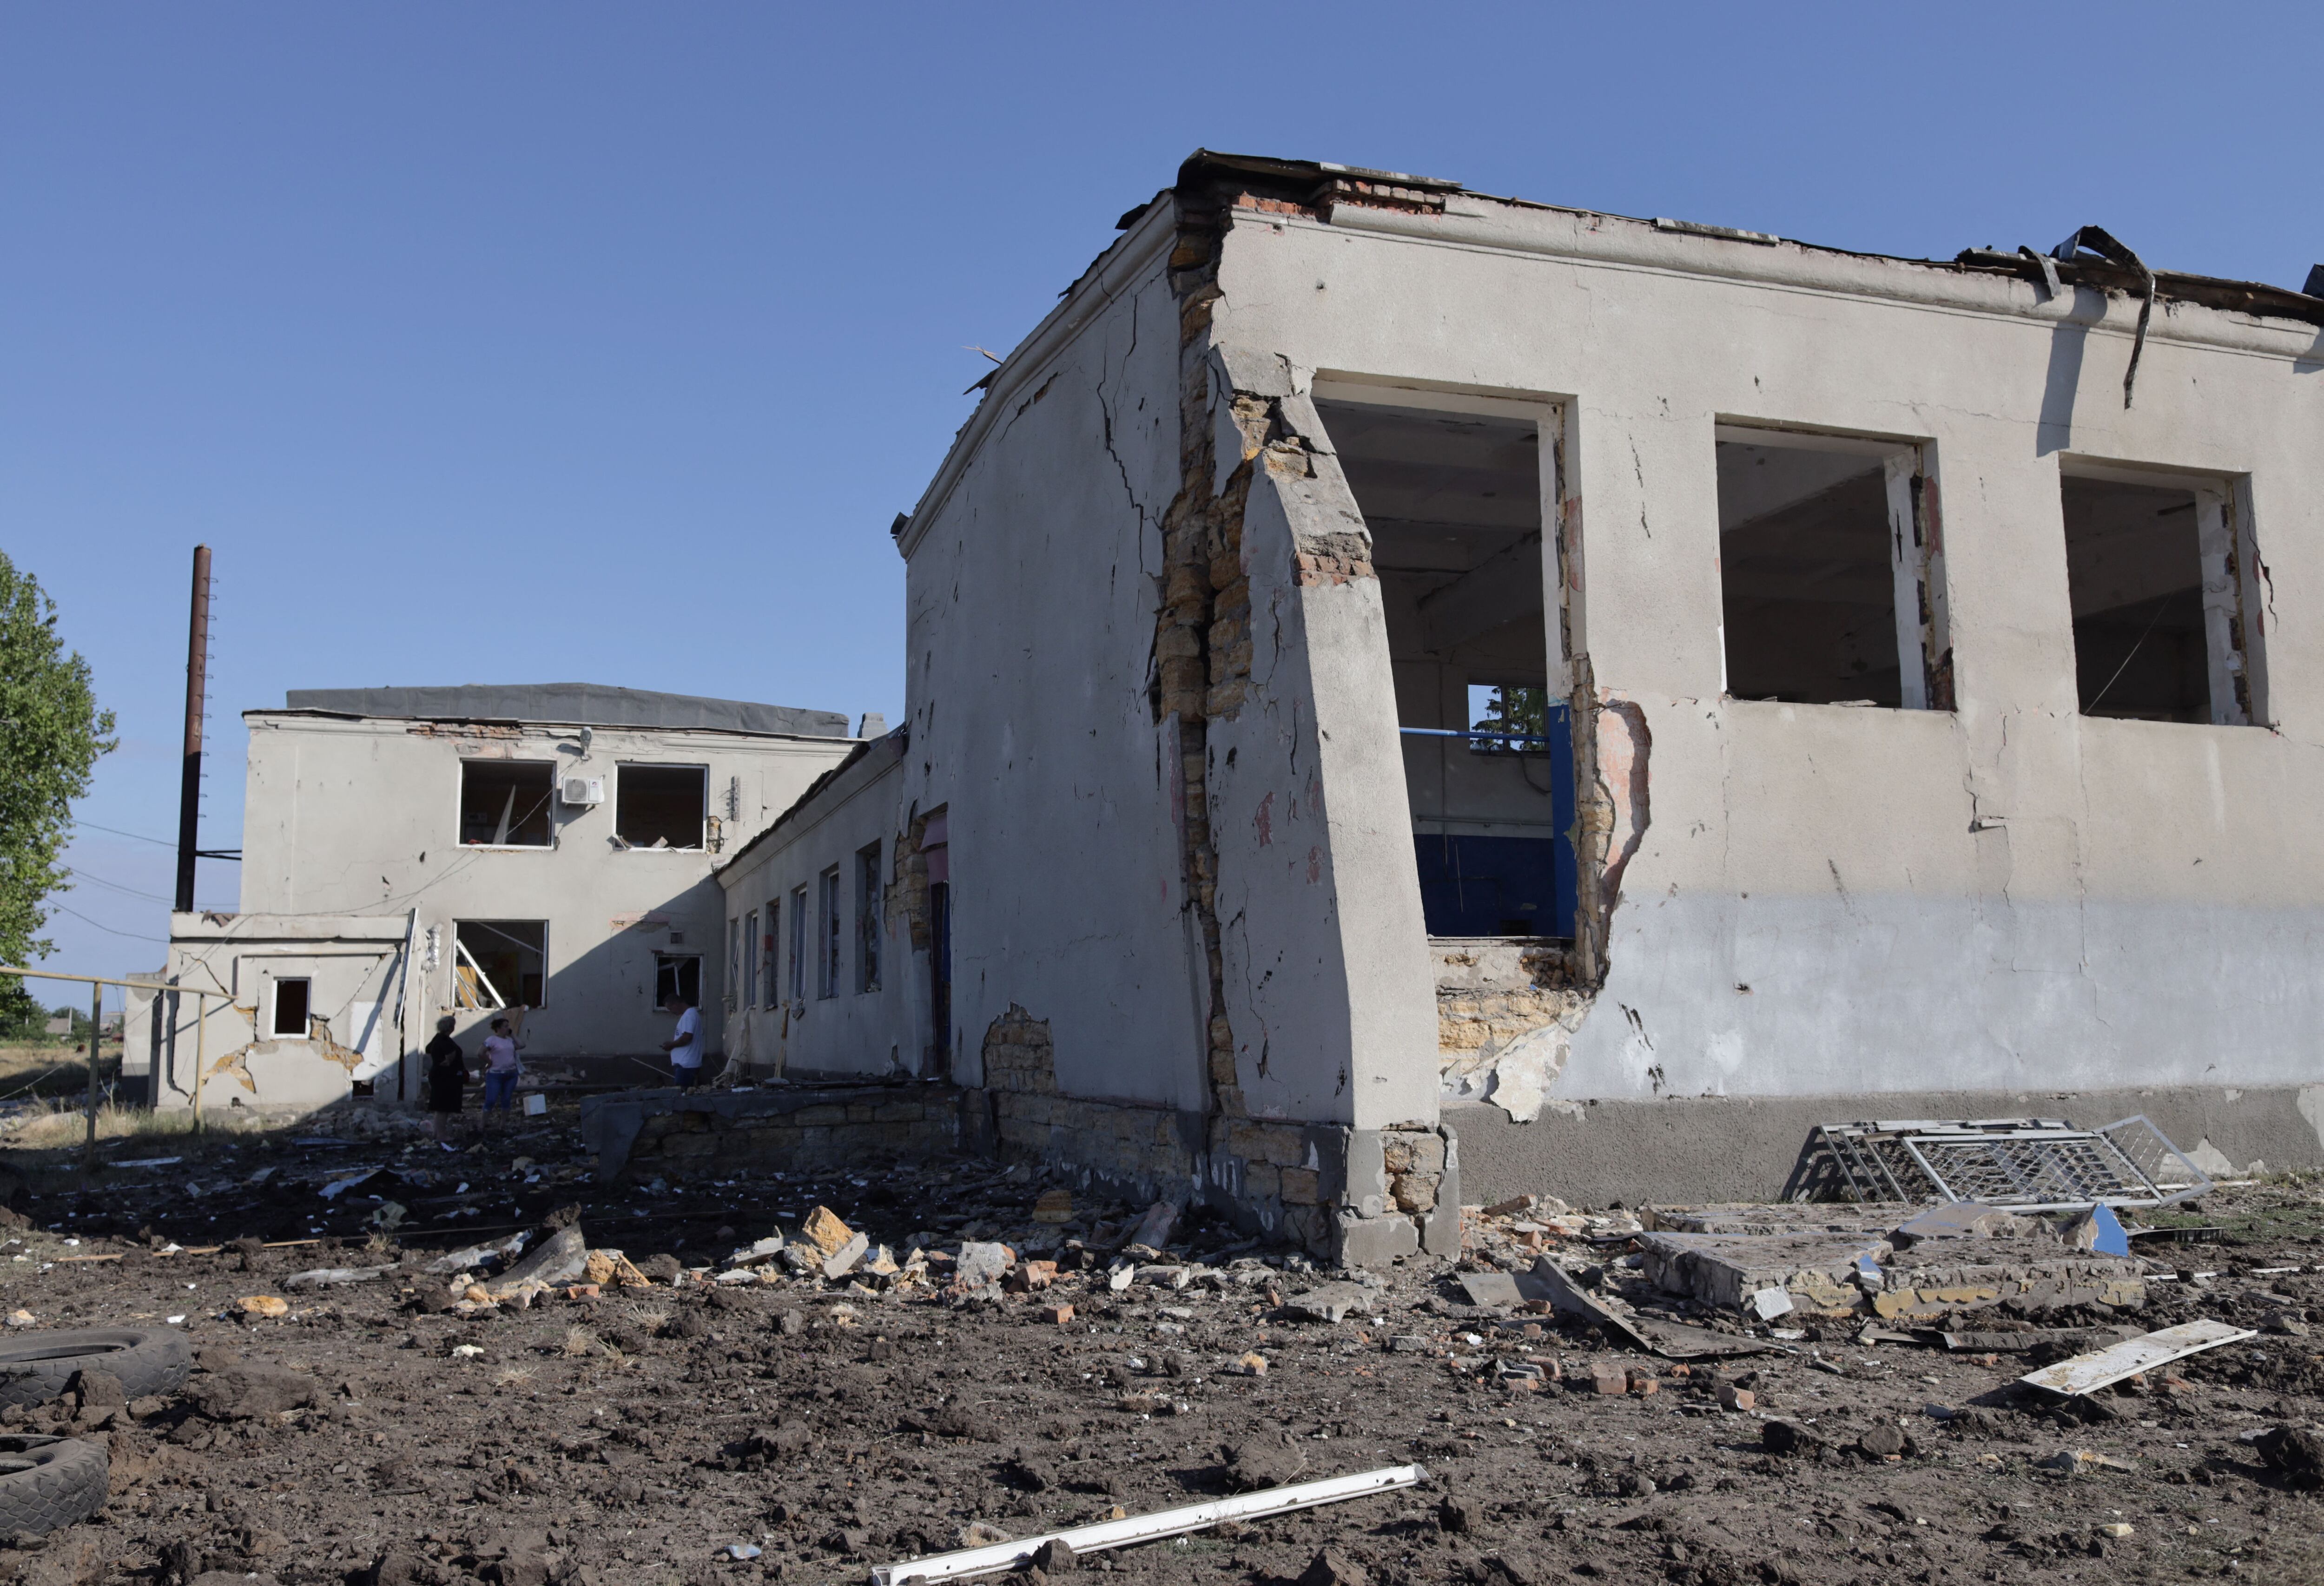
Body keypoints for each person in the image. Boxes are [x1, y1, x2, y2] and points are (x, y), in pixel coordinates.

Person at [424, 1016, 469, 1145]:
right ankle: (442, 1135)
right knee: (443, 1107)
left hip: (439, 1076)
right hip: (446, 1077)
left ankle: (437, 1133)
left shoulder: (438, 1038)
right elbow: (449, 1058)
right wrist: (446, 1062)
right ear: (451, 1028)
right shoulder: (445, 1041)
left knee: (440, 1107)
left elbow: (428, 1049)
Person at [479, 1012, 527, 1127]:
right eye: (505, 1027)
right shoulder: (492, 1040)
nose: (508, 1028)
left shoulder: (510, 1041)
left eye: (508, 1026)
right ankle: (483, 1124)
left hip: (511, 1074)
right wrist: (489, 1062)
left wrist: (513, 1035)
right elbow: (480, 1052)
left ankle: (502, 1124)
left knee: (506, 1100)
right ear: (499, 1029)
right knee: (491, 1100)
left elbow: (521, 1045)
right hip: (496, 1075)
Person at [659, 994, 703, 1088]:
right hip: (686, 1064)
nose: (671, 1012)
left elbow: (687, 1037)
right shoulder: (690, 1014)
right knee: (685, 1094)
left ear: (676, 1005)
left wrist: (671, 1045)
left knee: (682, 1095)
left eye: (670, 1009)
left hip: (686, 1065)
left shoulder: (689, 1016)